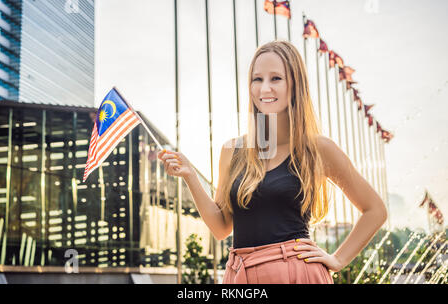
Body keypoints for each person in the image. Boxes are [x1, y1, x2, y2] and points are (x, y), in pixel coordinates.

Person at [157, 40, 388, 284]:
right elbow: (222, 227)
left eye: (276, 78)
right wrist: (191, 176)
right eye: (257, 79)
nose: (264, 88)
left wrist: (338, 259)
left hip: (296, 273)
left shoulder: (317, 149)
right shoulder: (232, 150)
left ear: (295, 85)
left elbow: (375, 210)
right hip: (239, 274)